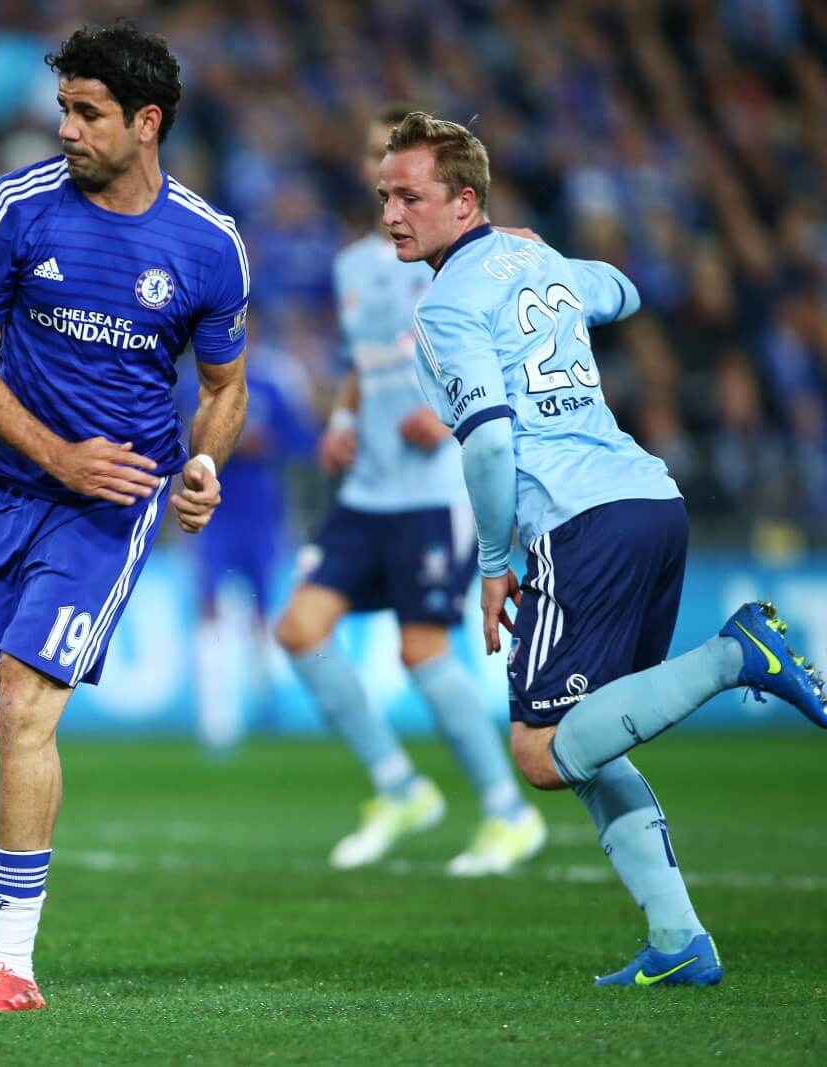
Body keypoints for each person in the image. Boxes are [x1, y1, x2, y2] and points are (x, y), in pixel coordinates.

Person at [380, 111, 826, 986]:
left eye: (411, 196)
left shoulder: (445, 307)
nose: (392, 212)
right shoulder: (535, 261)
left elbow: (491, 445)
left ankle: (739, 652)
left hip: (576, 523)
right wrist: (535, 252)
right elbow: (623, 289)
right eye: (384, 195)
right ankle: (679, 939)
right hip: (651, 503)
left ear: (464, 202)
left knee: (539, 752)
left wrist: (496, 563)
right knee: (588, 739)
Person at [0, 22, 249, 1014]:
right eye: (62, 108)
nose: (64, 129)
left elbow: (224, 384)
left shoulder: (209, 244)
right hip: (1, 485)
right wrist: (52, 453)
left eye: (85, 113)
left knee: (24, 695)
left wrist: (205, 459)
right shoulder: (17, 206)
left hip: (115, 501)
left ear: (146, 123)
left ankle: (9, 962)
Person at [274, 107, 545, 876]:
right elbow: (369, 355)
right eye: (371, 154)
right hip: (368, 488)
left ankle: (507, 810)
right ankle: (399, 786)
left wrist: (450, 411)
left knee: (421, 648)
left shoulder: (468, 258)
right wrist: (343, 413)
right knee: (299, 627)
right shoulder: (355, 264)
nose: (377, 168)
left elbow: (509, 345)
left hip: (435, 487)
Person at [191, 357, 315, 754]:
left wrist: (267, 441)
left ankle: (267, 706)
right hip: (216, 514)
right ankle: (217, 718)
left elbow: (301, 438)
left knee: (263, 612)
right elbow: (179, 439)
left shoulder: (270, 384)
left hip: (262, 514)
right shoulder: (196, 385)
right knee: (210, 607)